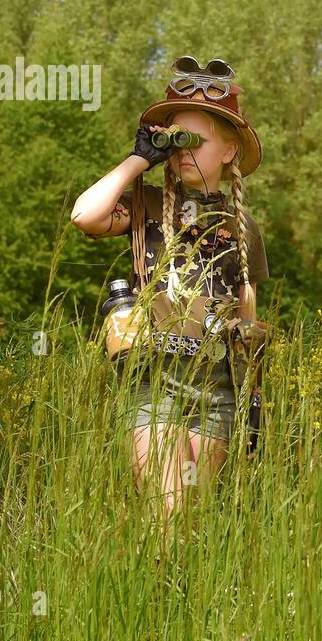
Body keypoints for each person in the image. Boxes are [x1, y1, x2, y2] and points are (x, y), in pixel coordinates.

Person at [70, 57, 270, 519]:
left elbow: (248, 322)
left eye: (194, 142)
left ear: (229, 151)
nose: (182, 151)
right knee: (171, 511)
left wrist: (252, 411)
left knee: (193, 525)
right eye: (174, 140)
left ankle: (171, 593)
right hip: (153, 381)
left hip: (216, 389)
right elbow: (85, 215)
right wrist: (140, 159)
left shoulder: (245, 229)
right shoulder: (143, 207)